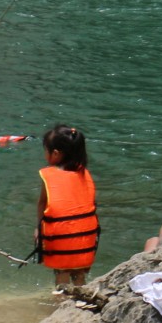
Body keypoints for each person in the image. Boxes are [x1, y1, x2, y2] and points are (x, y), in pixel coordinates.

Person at [35, 124, 99, 289]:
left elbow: (43, 204)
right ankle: (82, 299)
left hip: (61, 238)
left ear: (55, 154)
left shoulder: (49, 176)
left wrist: (39, 230)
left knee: (61, 275)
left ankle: (61, 306)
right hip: (86, 240)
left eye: (45, 150)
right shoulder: (85, 173)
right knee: (79, 276)